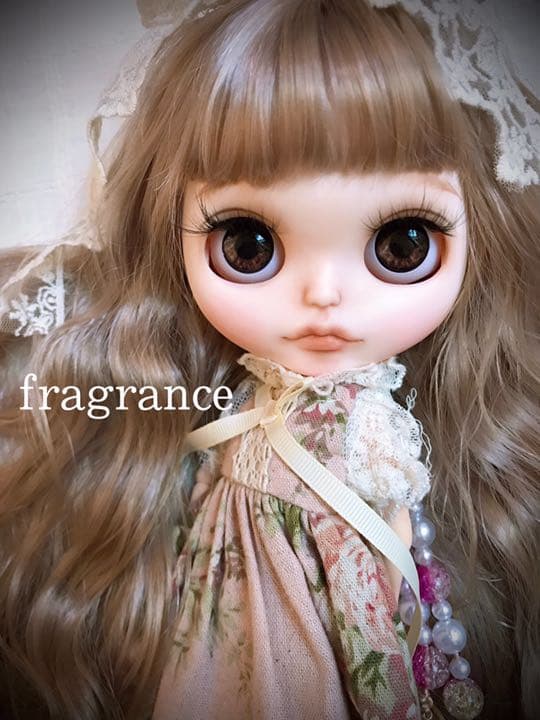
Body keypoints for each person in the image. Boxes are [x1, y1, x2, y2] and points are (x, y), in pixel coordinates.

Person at [0, 1, 538, 719]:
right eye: (247, 246)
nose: (323, 296)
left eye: (402, 244)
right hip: (228, 598)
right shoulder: (223, 404)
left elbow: (383, 532)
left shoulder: (375, 417)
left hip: (330, 602)